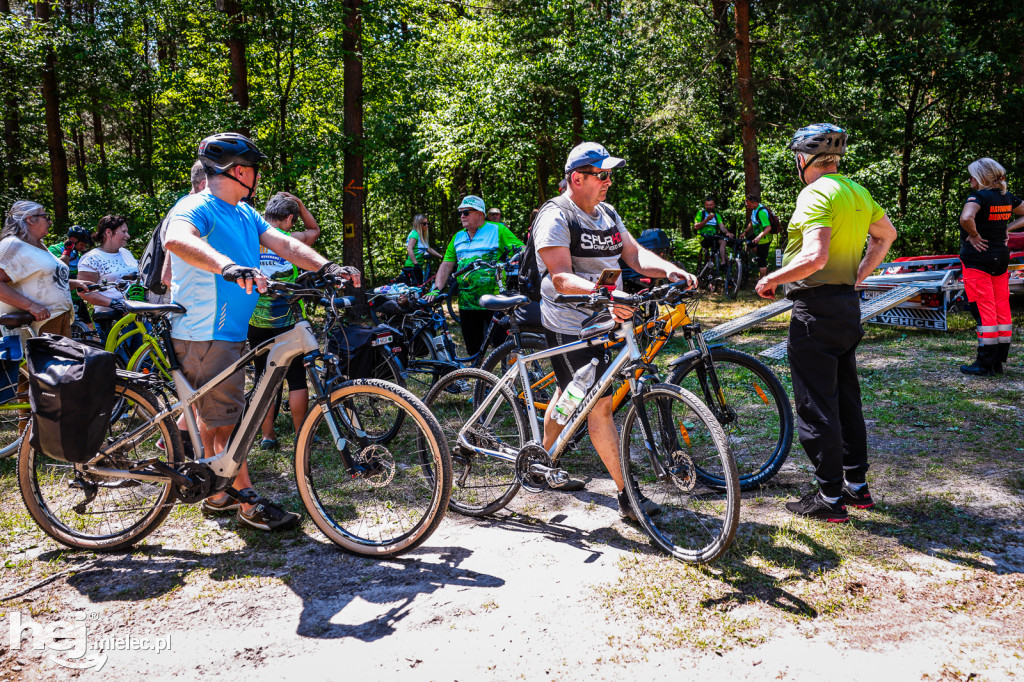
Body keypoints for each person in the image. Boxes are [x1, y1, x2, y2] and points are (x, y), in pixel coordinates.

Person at [164, 132, 358, 532]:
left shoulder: (244, 212)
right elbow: (176, 238)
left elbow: (286, 245)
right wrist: (228, 266)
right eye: (252, 168)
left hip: (227, 331)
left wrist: (326, 268)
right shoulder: (197, 205)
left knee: (217, 415)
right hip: (204, 332)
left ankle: (217, 492)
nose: (256, 175)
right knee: (228, 420)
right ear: (239, 170)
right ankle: (246, 499)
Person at [534, 141, 695, 514]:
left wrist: (668, 268)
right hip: (570, 323)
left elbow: (635, 255)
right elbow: (560, 277)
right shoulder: (556, 215)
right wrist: (605, 294)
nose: (609, 181)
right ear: (577, 178)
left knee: (570, 392)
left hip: (606, 320)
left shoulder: (606, 214)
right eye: (601, 175)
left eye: (610, 175)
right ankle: (628, 496)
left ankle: (543, 457)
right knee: (600, 405)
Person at [755, 123, 897, 522]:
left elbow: (815, 255)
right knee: (847, 398)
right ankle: (857, 486)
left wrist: (771, 279)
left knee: (817, 403)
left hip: (814, 308)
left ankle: (829, 498)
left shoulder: (814, 192)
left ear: (803, 159)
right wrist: (859, 275)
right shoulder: (857, 190)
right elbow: (886, 235)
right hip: (847, 307)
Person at [248, 192, 321, 449]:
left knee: (262, 378)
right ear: (289, 218)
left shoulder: (250, 237)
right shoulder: (290, 240)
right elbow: (314, 231)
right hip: (288, 320)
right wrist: (301, 204)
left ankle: (268, 436)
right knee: (296, 377)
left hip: (256, 322)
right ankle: (301, 434)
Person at [429, 195, 523, 356]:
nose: (462, 216)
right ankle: (481, 379)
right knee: (473, 350)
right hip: (467, 304)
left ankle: (511, 377)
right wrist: (436, 289)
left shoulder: (497, 230)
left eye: (466, 212)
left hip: (495, 301)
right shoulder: (457, 237)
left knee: (504, 347)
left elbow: (522, 250)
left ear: (480, 214)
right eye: (460, 213)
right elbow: (446, 265)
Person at [957, 158, 1024, 376]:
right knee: (1001, 307)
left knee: (984, 309)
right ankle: (998, 361)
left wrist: (974, 235)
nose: (970, 179)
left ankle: (985, 363)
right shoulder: (1005, 196)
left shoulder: (978, 197)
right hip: (1001, 258)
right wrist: (1008, 228)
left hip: (978, 260)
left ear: (980, 177)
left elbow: (966, 217)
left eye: (972, 175)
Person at [0, 202, 85, 336]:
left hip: (57, 319)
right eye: (46, 217)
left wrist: (74, 283)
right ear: (30, 219)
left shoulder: (38, 246)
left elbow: (41, 279)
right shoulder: (12, 244)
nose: (50, 222)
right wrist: (30, 306)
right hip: (36, 324)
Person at [78, 215, 139, 339]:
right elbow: (83, 291)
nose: (128, 236)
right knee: (119, 357)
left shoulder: (126, 253)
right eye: (124, 232)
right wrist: (113, 303)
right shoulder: (92, 258)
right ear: (109, 232)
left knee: (145, 357)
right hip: (111, 318)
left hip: (136, 314)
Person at [49, 225, 94, 330]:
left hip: (75, 296)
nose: (83, 247)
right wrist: (67, 250)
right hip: (60, 297)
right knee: (64, 327)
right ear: (73, 240)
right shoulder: (54, 249)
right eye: (82, 244)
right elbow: (60, 268)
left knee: (89, 326)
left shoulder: (76, 252)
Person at [743, 194, 776, 279]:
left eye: (749, 205)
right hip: (758, 236)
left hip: (764, 239)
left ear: (755, 203)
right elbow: (752, 221)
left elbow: (768, 227)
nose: (748, 207)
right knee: (749, 240)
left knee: (762, 261)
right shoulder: (754, 210)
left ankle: (762, 282)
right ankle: (759, 256)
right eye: (747, 205)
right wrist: (745, 232)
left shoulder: (761, 212)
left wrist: (759, 237)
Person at [693, 196, 731, 269]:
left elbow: (722, 226)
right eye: (707, 205)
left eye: (710, 205)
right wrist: (707, 219)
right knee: (712, 248)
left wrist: (727, 232)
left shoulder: (716, 215)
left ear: (714, 205)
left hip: (714, 237)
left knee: (723, 242)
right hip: (703, 237)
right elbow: (696, 226)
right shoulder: (701, 213)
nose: (709, 207)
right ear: (705, 205)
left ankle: (723, 263)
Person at [403, 214, 442, 285]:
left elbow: (428, 249)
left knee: (419, 287)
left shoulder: (421, 236)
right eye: (424, 224)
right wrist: (415, 263)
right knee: (416, 289)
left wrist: (441, 257)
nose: (426, 225)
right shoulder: (414, 234)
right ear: (418, 224)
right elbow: (409, 249)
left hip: (416, 266)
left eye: (427, 223)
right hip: (412, 266)